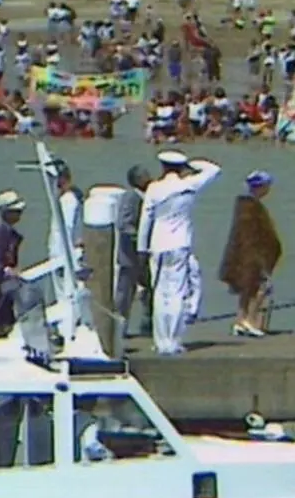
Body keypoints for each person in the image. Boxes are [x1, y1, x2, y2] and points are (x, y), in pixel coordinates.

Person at [136, 150, 221, 356]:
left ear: (163, 167)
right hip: (180, 244)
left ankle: (160, 341)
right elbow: (214, 170)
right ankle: (173, 341)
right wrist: (191, 164)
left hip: (158, 245)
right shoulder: (189, 185)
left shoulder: (154, 188)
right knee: (176, 293)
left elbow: (146, 220)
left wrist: (141, 248)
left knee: (159, 293)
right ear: (180, 167)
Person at [219, 171, 282, 337]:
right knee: (262, 287)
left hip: (245, 255)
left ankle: (240, 320)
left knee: (247, 288)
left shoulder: (244, 205)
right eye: (267, 186)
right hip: (253, 255)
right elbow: (254, 235)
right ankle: (251, 320)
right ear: (260, 187)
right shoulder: (252, 207)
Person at [115, 165, 153, 337]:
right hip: (130, 254)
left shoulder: (149, 197)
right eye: (145, 176)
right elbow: (124, 224)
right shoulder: (131, 197)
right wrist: (140, 237)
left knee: (149, 288)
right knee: (125, 292)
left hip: (145, 253)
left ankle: (148, 323)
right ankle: (119, 327)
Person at [47, 160, 84, 302]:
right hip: (60, 255)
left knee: (65, 295)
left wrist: (64, 259)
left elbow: (65, 231)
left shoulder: (68, 200)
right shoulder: (65, 198)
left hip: (63, 256)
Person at [0, 190, 26, 334]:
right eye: (15, 211)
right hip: (0, 286)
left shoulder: (10, 234)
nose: (19, 214)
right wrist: (6, 270)